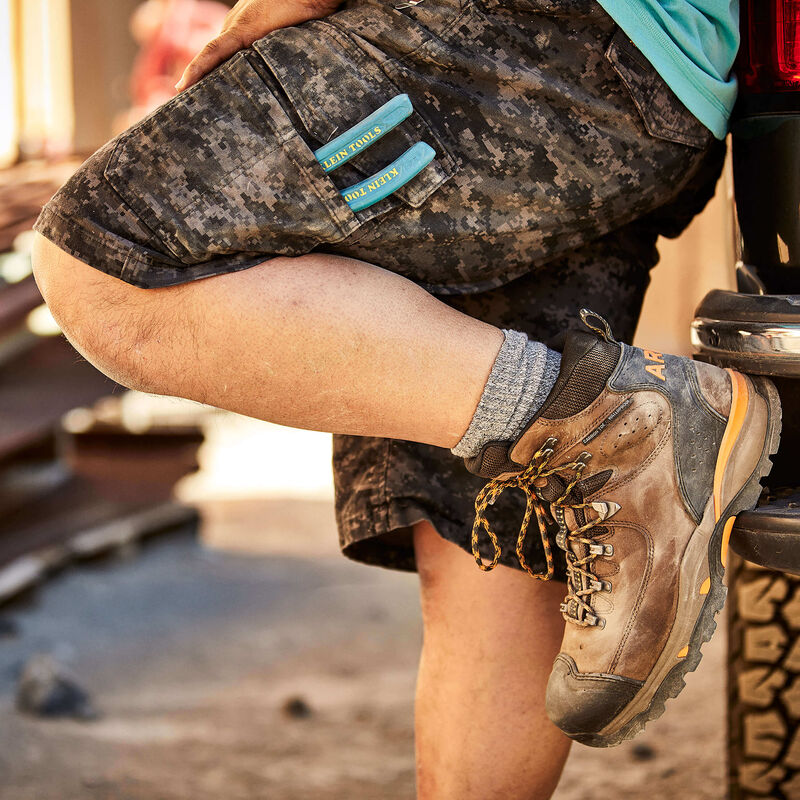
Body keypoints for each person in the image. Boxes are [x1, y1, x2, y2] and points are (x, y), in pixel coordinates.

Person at [30, 0, 781, 795]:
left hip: (533, 32)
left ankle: (621, 429)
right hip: (645, 87)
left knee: (108, 254)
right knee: (489, 523)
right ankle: (596, 435)